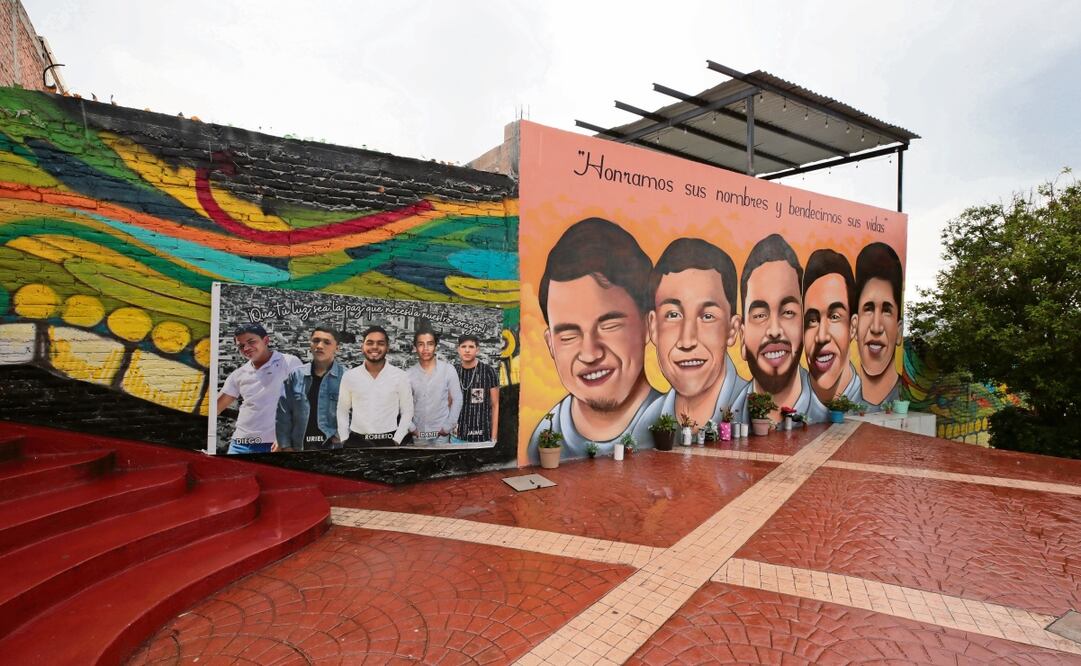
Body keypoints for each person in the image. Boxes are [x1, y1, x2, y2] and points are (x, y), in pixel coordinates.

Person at [528, 217, 660, 463]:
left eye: (609, 325)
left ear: (648, 325)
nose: (590, 354)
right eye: (568, 335)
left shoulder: (670, 417)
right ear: (551, 345)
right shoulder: (543, 437)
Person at [646, 238, 748, 428]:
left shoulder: (752, 409)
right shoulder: (646, 423)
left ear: (732, 329)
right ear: (653, 327)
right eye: (673, 315)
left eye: (707, 316)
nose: (687, 340)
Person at [731, 234, 822, 423]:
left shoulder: (822, 415)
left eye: (788, 312)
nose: (774, 330)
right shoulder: (730, 417)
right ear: (742, 335)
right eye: (759, 315)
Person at [216, 323, 301, 454]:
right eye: (241, 346)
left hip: (276, 444)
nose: (246, 348)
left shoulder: (288, 362)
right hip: (241, 444)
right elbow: (216, 406)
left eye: (251, 342)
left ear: (266, 340)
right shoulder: (238, 374)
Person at [802, 249, 862, 406]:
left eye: (834, 317)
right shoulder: (794, 405)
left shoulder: (868, 401)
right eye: (812, 320)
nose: (821, 336)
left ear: (853, 326)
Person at [337, 325, 414, 448]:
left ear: (387, 347)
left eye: (380, 343)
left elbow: (407, 411)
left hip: (389, 440)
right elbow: (342, 410)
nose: (375, 347)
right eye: (370, 343)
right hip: (357, 441)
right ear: (362, 346)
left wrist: (397, 439)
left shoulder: (400, 376)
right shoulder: (350, 376)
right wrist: (344, 438)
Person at [274, 326, 345, 451]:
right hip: (299, 447)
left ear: (337, 348)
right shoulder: (296, 375)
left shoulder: (347, 377)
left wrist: (340, 437)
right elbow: (283, 413)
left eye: (327, 342)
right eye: (316, 341)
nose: (319, 346)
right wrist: (285, 446)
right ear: (310, 344)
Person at [854, 242, 905, 408]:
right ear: (854, 326)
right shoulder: (842, 398)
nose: (876, 327)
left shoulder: (905, 397)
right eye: (868, 309)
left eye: (886, 310)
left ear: (899, 331)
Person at [406, 329, 463, 446]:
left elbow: (458, 399)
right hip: (419, 434)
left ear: (436, 346)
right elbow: (402, 405)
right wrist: (411, 428)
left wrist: (447, 427)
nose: (425, 348)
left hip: (441, 434)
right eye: (421, 344)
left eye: (430, 344)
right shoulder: (408, 374)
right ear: (415, 347)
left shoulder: (448, 370)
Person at [454, 334, 500, 442]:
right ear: (458, 350)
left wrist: (493, 437)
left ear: (477, 350)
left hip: (483, 436)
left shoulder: (488, 371)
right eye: (463, 347)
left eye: (471, 347)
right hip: (457, 436)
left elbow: (495, 405)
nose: (467, 350)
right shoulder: (453, 371)